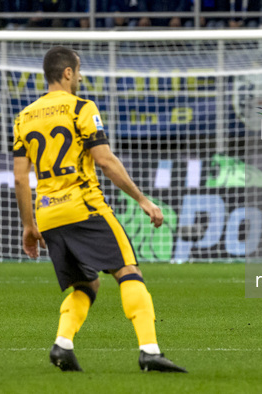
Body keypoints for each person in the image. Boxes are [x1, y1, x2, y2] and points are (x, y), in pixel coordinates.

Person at [13, 46, 186, 373]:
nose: (80, 77)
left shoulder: (23, 117)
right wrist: (143, 200)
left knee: (87, 285)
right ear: (67, 73)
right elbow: (105, 160)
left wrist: (28, 226)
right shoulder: (81, 107)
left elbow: (21, 179)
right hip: (84, 207)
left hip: (48, 215)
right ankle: (149, 350)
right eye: (77, 72)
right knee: (129, 271)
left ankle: (62, 345)